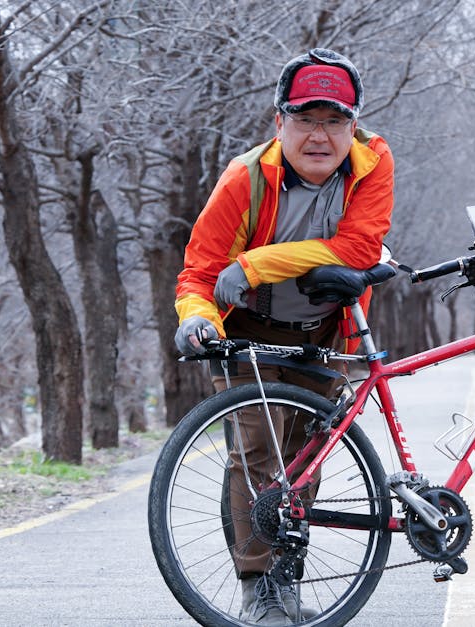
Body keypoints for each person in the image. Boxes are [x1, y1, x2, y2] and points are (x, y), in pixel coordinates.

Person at [172, 48, 394, 625]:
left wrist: (255, 265)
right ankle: (257, 586)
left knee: (307, 457)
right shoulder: (244, 179)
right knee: (255, 454)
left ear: (354, 125)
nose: (318, 136)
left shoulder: (373, 164)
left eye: (334, 120)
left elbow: (359, 250)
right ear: (279, 124)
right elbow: (198, 273)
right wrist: (196, 318)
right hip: (251, 332)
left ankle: (288, 578)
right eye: (304, 119)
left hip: (327, 329)